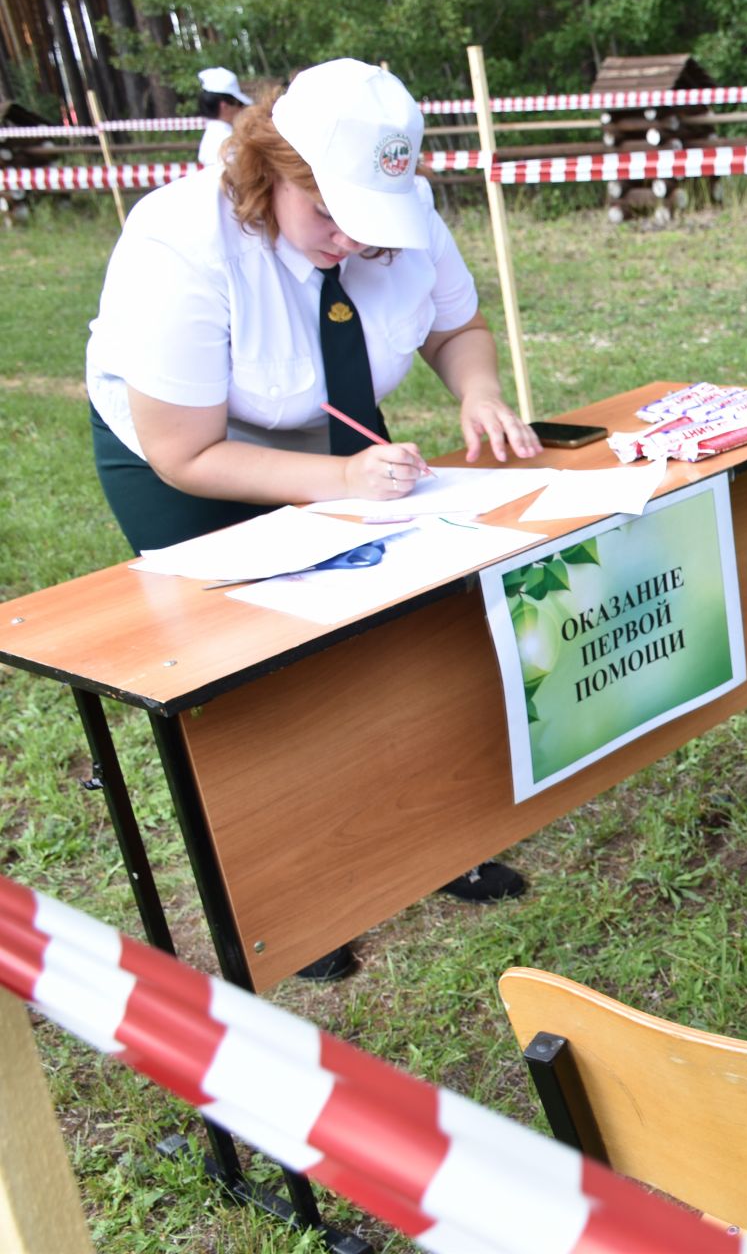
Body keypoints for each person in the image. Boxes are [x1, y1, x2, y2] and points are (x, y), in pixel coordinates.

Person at [85, 57, 543, 979]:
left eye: (370, 222)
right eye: (330, 215)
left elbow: (456, 328)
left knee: (387, 633)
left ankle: (422, 842)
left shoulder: (398, 220)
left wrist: (478, 392)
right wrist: (338, 483)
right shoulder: (181, 241)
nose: (351, 242)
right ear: (270, 170)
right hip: (187, 452)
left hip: (336, 437)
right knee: (248, 678)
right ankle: (292, 898)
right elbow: (185, 451)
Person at [194, 66, 251, 168]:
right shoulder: (227, 141)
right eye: (239, 104)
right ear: (224, 106)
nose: (241, 109)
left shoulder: (212, 136)